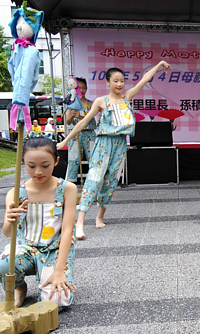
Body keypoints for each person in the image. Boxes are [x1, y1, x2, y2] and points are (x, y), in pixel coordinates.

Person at [57, 61, 172, 240]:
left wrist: (159, 65)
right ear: (108, 82)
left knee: (111, 181)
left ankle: (100, 216)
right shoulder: (101, 101)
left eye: (121, 81)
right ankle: (79, 222)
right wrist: (65, 140)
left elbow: (144, 80)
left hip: (120, 145)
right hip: (103, 144)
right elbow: (83, 122)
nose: (119, 84)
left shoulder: (127, 97)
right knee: (94, 180)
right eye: (115, 81)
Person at [0, 137, 77, 309]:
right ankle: (19, 287)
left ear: (56, 161)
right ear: (23, 162)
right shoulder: (16, 192)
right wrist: (10, 219)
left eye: (45, 165)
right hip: (25, 247)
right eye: (31, 166)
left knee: (55, 302)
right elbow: (7, 233)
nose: (38, 171)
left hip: (54, 249)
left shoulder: (67, 189)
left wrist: (59, 270)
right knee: (3, 264)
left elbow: (67, 231)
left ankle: (50, 277)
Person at [65, 77, 97, 183]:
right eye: (80, 88)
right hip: (75, 135)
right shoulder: (71, 103)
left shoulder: (91, 104)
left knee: (93, 159)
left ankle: (94, 184)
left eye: (84, 88)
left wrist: (80, 116)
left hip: (89, 135)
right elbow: (68, 122)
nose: (82, 91)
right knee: (73, 160)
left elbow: (91, 121)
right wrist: (72, 115)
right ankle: (70, 185)